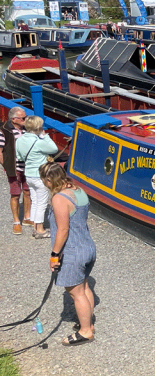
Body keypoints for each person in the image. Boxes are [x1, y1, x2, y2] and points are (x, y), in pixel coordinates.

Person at [40, 162, 96, 345]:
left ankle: (85, 331)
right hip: (87, 247)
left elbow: (63, 230)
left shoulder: (59, 199)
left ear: (49, 179)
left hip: (73, 252)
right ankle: (87, 322)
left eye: (44, 181)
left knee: (76, 293)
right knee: (85, 287)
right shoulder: (79, 190)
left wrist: (54, 254)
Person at [15, 116, 58, 238]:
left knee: (35, 201)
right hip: (41, 176)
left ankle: (35, 226)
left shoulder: (19, 140)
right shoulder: (39, 142)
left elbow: (20, 157)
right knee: (42, 203)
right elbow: (54, 148)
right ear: (38, 128)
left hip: (28, 175)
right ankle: (40, 230)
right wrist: (46, 136)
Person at [1, 107, 32, 235]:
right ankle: (16, 222)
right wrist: (6, 166)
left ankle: (27, 218)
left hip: (28, 167)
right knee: (15, 194)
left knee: (27, 191)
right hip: (14, 168)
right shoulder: (4, 130)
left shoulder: (27, 130)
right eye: (23, 118)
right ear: (14, 119)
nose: (26, 120)